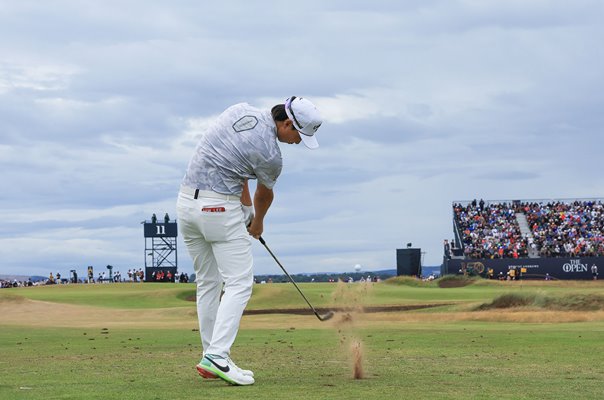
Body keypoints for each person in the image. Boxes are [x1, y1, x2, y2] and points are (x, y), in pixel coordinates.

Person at [176, 96, 322, 386]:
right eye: (297, 135)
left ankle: (211, 356)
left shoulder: (239, 110)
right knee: (239, 283)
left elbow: (237, 167)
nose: (296, 142)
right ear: (287, 123)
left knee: (208, 282)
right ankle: (217, 356)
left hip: (186, 204)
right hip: (217, 208)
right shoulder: (271, 155)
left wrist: (244, 212)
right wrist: (256, 223)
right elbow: (263, 194)